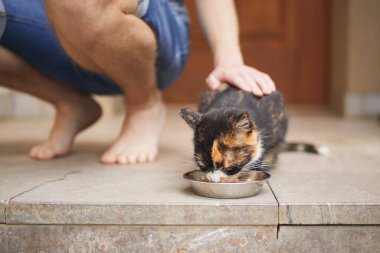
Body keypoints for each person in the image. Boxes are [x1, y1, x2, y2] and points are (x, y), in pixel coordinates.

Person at [0, 0, 275, 164]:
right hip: (55, 32)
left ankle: (144, 103)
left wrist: (229, 57)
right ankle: (69, 101)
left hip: (147, 35)